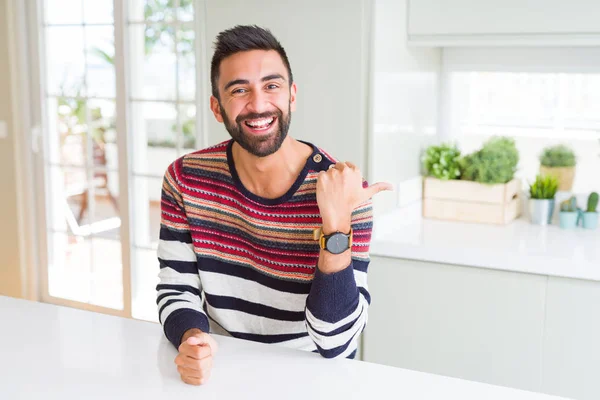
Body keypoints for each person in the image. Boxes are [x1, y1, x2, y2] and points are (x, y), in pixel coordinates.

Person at [156, 25, 392, 386]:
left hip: (316, 379)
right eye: (239, 90)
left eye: (272, 85)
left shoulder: (344, 193)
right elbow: (177, 287)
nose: (259, 104)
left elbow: (336, 340)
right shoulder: (186, 179)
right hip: (224, 371)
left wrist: (336, 228)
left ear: (292, 95)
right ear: (216, 108)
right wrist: (192, 339)